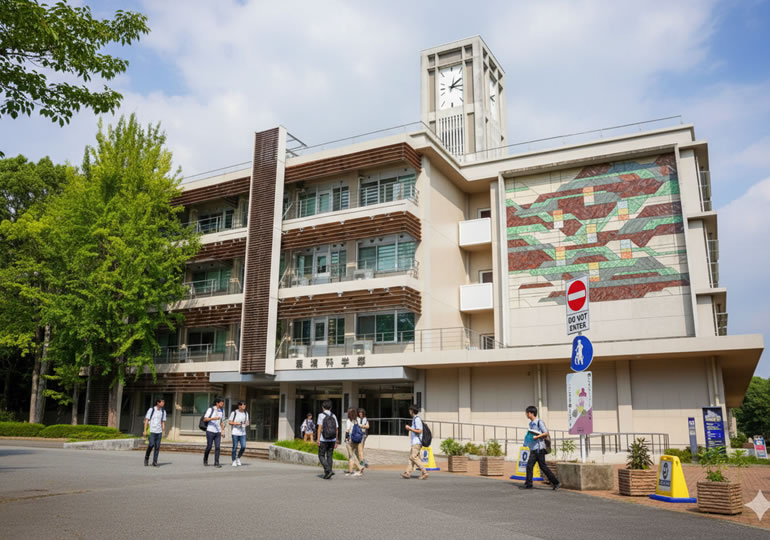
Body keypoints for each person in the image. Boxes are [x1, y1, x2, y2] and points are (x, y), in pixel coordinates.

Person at [519, 405, 559, 490]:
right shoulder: (531, 424)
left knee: (543, 467)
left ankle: (556, 482)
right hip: (533, 449)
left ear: (531, 413)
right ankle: (528, 484)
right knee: (529, 466)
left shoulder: (539, 422)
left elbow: (545, 433)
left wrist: (537, 437)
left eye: (527, 413)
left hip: (539, 449)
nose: (526, 414)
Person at [401, 404, 428, 480]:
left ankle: (425, 472)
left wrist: (409, 428)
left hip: (417, 443)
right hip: (415, 442)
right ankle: (407, 473)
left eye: (410, 410)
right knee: (411, 458)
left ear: (412, 411)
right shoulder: (415, 419)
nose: (409, 411)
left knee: (413, 457)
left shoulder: (417, 419)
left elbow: (419, 431)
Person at [316, 400, 339, 480]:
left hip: (323, 439)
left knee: (321, 455)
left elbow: (319, 429)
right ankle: (328, 472)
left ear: (323, 407)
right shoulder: (334, 415)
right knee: (330, 456)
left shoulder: (321, 415)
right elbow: (336, 429)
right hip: (332, 439)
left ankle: (328, 470)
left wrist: (318, 439)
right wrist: (336, 441)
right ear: (330, 407)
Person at [203, 397, 226, 468]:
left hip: (218, 432)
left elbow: (221, 421)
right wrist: (213, 418)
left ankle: (216, 462)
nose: (222, 404)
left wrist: (223, 431)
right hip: (210, 431)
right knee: (209, 446)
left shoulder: (222, 410)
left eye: (223, 403)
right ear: (217, 403)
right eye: (221, 403)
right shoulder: (211, 409)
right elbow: (205, 419)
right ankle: (205, 460)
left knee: (218, 447)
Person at [143, 398, 166, 467]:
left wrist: (163, 431)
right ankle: (146, 457)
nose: (163, 403)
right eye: (162, 402)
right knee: (151, 444)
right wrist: (144, 430)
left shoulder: (163, 411)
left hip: (159, 432)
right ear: (158, 403)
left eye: (164, 402)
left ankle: (155, 462)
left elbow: (163, 422)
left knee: (157, 447)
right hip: (152, 431)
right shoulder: (151, 410)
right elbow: (146, 420)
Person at [344, 407, 364, 477]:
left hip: (351, 440)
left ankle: (360, 467)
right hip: (357, 439)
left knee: (352, 455)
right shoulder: (358, 419)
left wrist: (346, 439)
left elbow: (347, 430)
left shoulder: (348, 421)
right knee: (351, 455)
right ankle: (350, 470)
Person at [228, 401, 249, 467]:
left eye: (245, 405)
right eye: (243, 405)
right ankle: (233, 460)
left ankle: (238, 458)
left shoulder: (246, 413)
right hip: (235, 432)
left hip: (243, 432)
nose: (244, 406)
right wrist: (237, 423)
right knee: (235, 447)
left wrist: (246, 424)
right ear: (239, 406)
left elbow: (247, 422)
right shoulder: (234, 413)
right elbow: (230, 422)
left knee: (243, 446)